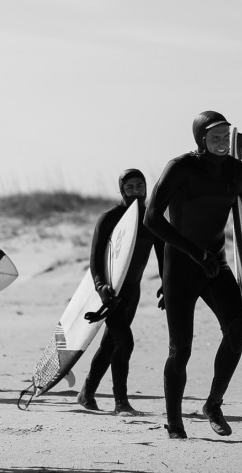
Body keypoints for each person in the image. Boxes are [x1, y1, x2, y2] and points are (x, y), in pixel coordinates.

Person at [143, 111, 242, 440]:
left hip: (215, 264)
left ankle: (213, 404)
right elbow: (152, 219)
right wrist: (194, 252)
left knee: (237, 331)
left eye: (226, 136)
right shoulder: (180, 168)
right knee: (181, 349)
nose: (222, 143)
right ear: (200, 140)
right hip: (180, 265)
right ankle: (174, 421)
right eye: (215, 137)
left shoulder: (240, 173)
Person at [77, 168, 163, 415]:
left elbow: (163, 257)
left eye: (140, 186)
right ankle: (121, 402)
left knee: (110, 344)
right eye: (130, 187)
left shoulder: (152, 219)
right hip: (110, 292)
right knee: (124, 342)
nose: (136, 191)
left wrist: (166, 286)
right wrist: (100, 287)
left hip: (132, 292)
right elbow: (95, 260)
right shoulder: (109, 218)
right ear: (121, 191)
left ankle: (86, 394)